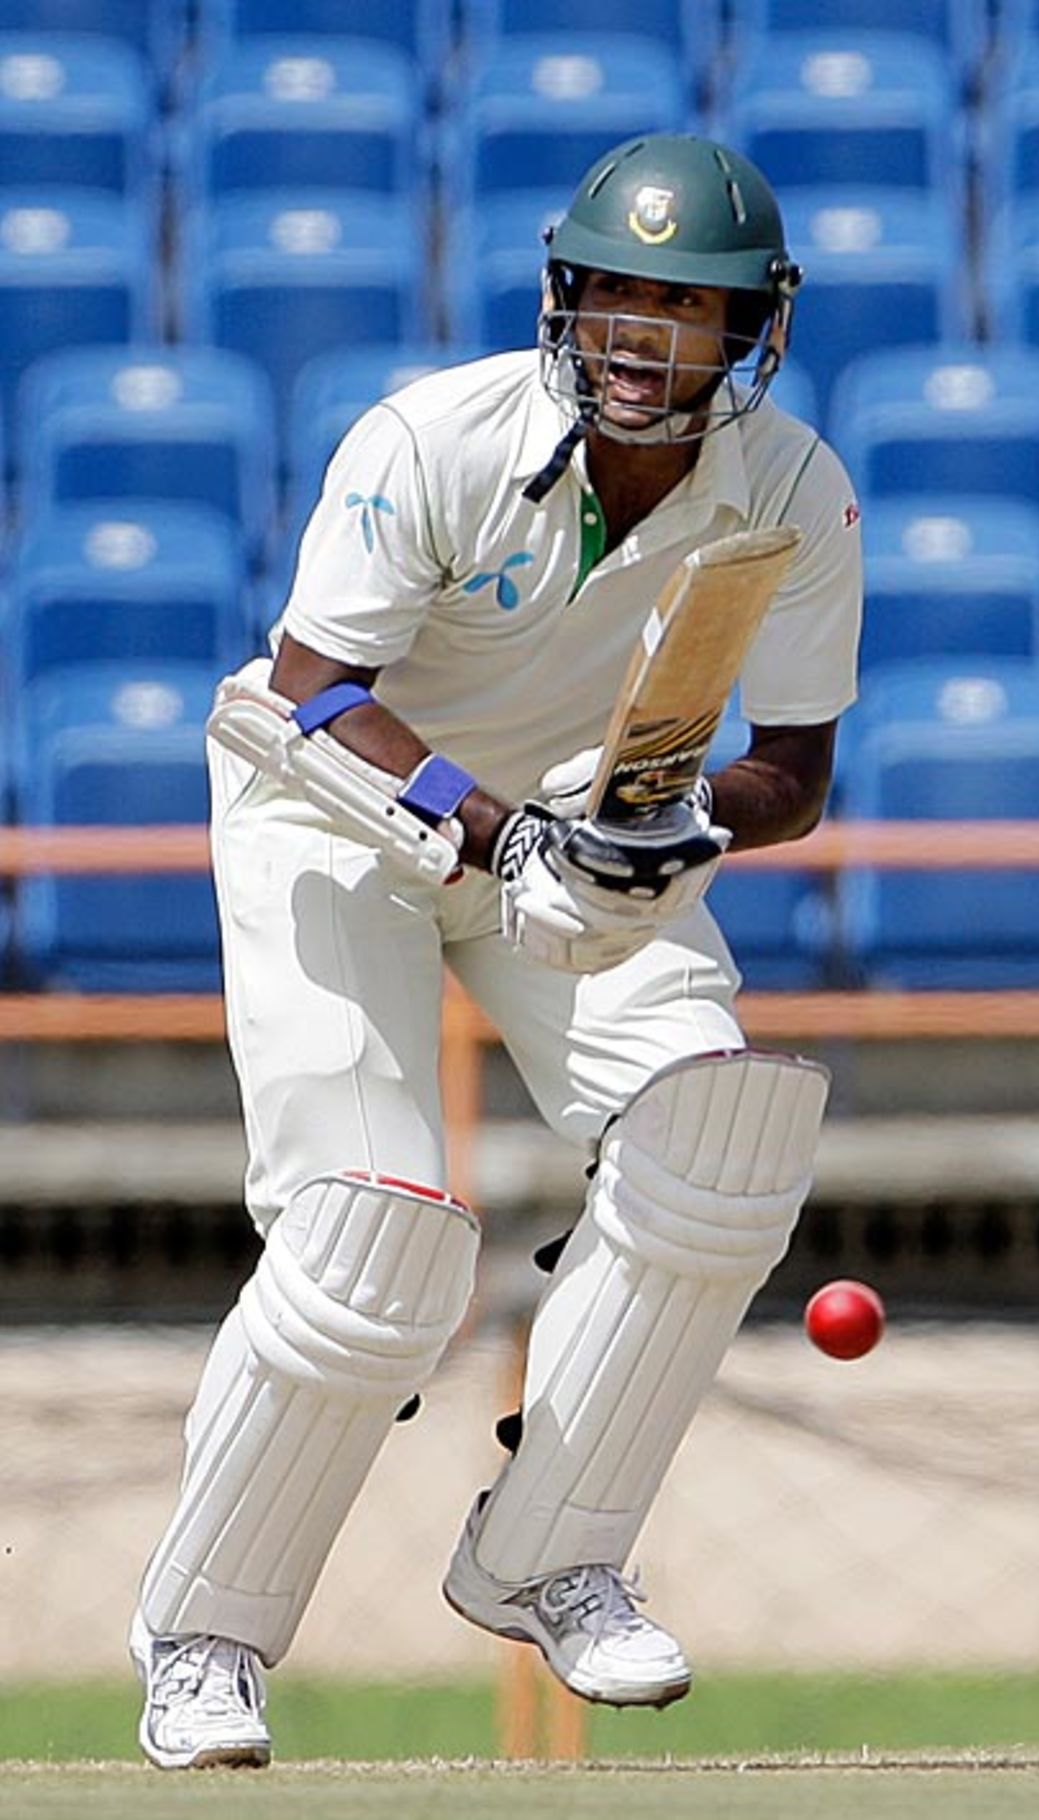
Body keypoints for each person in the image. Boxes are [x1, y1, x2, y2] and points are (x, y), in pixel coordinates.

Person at [130, 131, 863, 1770]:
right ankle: (204, 1643)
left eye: (685, 308)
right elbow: (316, 679)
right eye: (615, 294)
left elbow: (794, 775)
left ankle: (548, 1556)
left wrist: (676, 825)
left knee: (721, 1133)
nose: (640, 336)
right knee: (369, 1248)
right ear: (563, 294)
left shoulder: (796, 490)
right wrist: (495, 820)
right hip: (335, 813)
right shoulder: (435, 436)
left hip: (555, 827)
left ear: (754, 331)